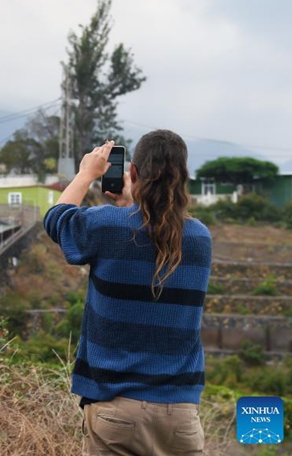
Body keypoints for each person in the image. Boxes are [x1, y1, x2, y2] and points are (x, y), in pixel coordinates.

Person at [43, 130, 211, 455]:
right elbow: (153, 229)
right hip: (179, 416)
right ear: (184, 177)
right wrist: (132, 204)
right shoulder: (201, 239)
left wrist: (86, 174)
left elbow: (56, 220)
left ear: (132, 173)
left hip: (115, 410)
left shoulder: (107, 225)